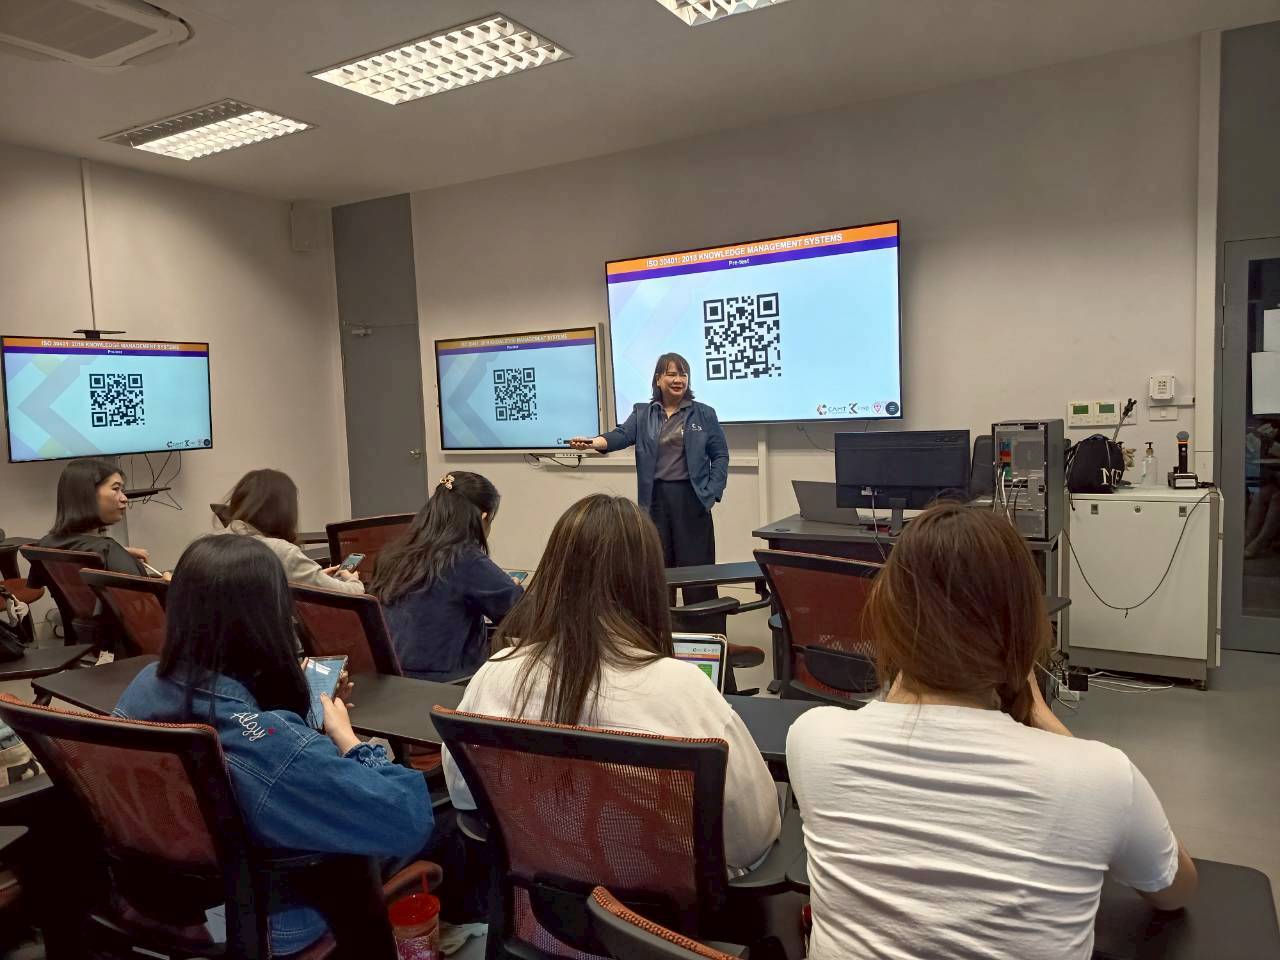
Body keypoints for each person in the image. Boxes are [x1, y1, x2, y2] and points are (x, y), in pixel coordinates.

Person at [786, 502, 1197, 960]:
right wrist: (1042, 716)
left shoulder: (813, 740)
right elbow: (1175, 888)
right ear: (1025, 626)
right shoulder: (1101, 777)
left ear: (887, 613)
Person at [114, 535, 434, 956]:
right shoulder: (272, 744)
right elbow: (408, 817)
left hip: (166, 898)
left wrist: (295, 716)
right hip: (267, 915)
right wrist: (346, 738)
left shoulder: (146, 684)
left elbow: (256, 742)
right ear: (269, 619)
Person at [442, 494, 779, 871]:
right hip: (657, 907)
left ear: (553, 575)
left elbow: (463, 794)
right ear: (649, 583)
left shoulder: (496, 673)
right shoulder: (684, 689)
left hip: (544, 902)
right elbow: (753, 838)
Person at [569, 353, 728, 602]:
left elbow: (720, 455)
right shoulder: (643, 413)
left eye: (683, 374)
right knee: (657, 571)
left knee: (698, 572)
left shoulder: (704, 414)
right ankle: (661, 625)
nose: (678, 380)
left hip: (693, 499)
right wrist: (594, 442)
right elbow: (622, 435)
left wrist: (712, 492)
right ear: (658, 379)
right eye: (672, 374)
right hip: (655, 501)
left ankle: (704, 625)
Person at [370, 472, 523, 681]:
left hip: (391, 681)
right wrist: (512, 589)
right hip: (448, 685)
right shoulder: (466, 559)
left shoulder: (392, 554)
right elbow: (523, 619)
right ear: (483, 518)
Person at [216, 468, 362, 594]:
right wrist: (353, 580)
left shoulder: (212, 543)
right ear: (283, 511)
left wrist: (310, 577)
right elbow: (351, 595)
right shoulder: (282, 553)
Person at [32, 458, 154, 577]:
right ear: (88, 494)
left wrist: (121, 552)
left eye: (122, 490)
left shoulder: (45, 544)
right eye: (116, 489)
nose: (124, 498)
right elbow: (142, 592)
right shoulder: (108, 551)